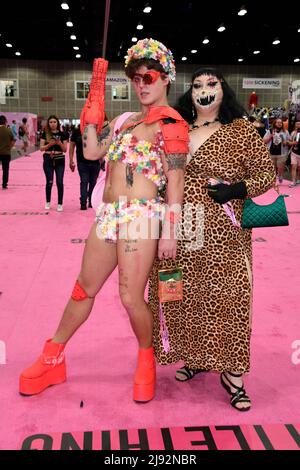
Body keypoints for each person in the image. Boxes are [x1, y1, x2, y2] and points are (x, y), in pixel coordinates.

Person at [19, 38, 189, 403]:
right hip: (109, 214)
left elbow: (176, 182)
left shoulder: (173, 124)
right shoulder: (125, 121)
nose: (142, 84)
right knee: (83, 287)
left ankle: (146, 358)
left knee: (130, 296)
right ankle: (53, 355)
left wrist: (171, 231)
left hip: (143, 218)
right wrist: (92, 112)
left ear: (165, 80)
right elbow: (93, 151)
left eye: (150, 77)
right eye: (136, 78)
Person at [148, 67, 276, 411]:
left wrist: (236, 189)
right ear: (190, 94)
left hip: (226, 229)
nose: (204, 90)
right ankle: (197, 355)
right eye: (197, 85)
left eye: (212, 84)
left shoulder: (240, 130)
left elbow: (267, 175)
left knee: (231, 296)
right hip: (183, 224)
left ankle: (233, 374)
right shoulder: (179, 129)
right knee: (186, 294)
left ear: (224, 90)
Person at [69, 122, 104, 210]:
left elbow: (102, 146)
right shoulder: (77, 131)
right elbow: (72, 146)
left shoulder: (97, 131)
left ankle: (91, 201)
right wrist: (71, 160)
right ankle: (83, 202)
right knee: (84, 181)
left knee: (93, 182)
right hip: (82, 162)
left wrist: (102, 159)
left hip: (95, 162)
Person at [39, 115, 69, 211]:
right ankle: (48, 201)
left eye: (54, 122)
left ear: (57, 123)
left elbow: (65, 150)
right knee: (49, 182)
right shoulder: (45, 134)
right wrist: (49, 144)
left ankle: (60, 203)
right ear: (48, 123)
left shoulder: (63, 134)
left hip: (60, 159)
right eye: (51, 122)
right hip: (48, 159)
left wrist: (59, 143)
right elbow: (41, 148)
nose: (52, 124)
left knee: (60, 182)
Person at [263, 118, 290, 183]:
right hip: (271, 152)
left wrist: (285, 141)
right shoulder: (270, 131)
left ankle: (280, 175)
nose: (279, 124)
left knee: (280, 167)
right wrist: (271, 137)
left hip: (282, 153)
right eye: (278, 122)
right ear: (275, 123)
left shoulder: (285, 131)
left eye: (280, 123)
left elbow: (290, 141)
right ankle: (273, 179)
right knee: (272, 168)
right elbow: (263, 141)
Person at [0, 115, 15, 189]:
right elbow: (13, 140)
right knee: (5, 169)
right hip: (6, 153)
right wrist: (10, 147)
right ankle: (4, 184)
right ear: (5, 122)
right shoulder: (8, 130)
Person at [288, 120, 300, 187]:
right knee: (293, 167)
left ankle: (298, 179)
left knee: (299, 168)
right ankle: (293, 181)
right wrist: (293, 143)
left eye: (299, 124)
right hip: (294, 152)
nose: (298, 125)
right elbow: (288, 142)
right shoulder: (293, 133)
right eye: (297, 124)